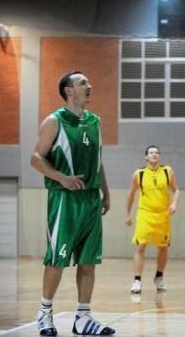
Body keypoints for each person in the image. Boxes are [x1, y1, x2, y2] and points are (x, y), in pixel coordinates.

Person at [30, 71, 115, 336]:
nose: (89, 86)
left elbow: (98, 161)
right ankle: (44, 313)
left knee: (88, 260)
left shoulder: (95, 122)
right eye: (82, 83)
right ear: (69, 90)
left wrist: (106, 192)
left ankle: (83, 317)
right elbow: (35, 157)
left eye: (88, 82)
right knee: (57, 259)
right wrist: (61, 178)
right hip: (64, 199)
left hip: (90, 198)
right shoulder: (54, 121)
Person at [125, 145, 180, 294]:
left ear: (159, 156)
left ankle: (159, 276)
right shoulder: (139, 174)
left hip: (163, 215)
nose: (154, 155)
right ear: (146, 157)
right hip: (145, 214)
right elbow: (131, 194)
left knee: (163, 248)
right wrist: (128, 214)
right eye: (151, 153)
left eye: (156, 152)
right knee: (140, 246)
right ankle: (137, 280)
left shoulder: (168, 171)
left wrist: (174, 203)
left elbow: (176, 190)